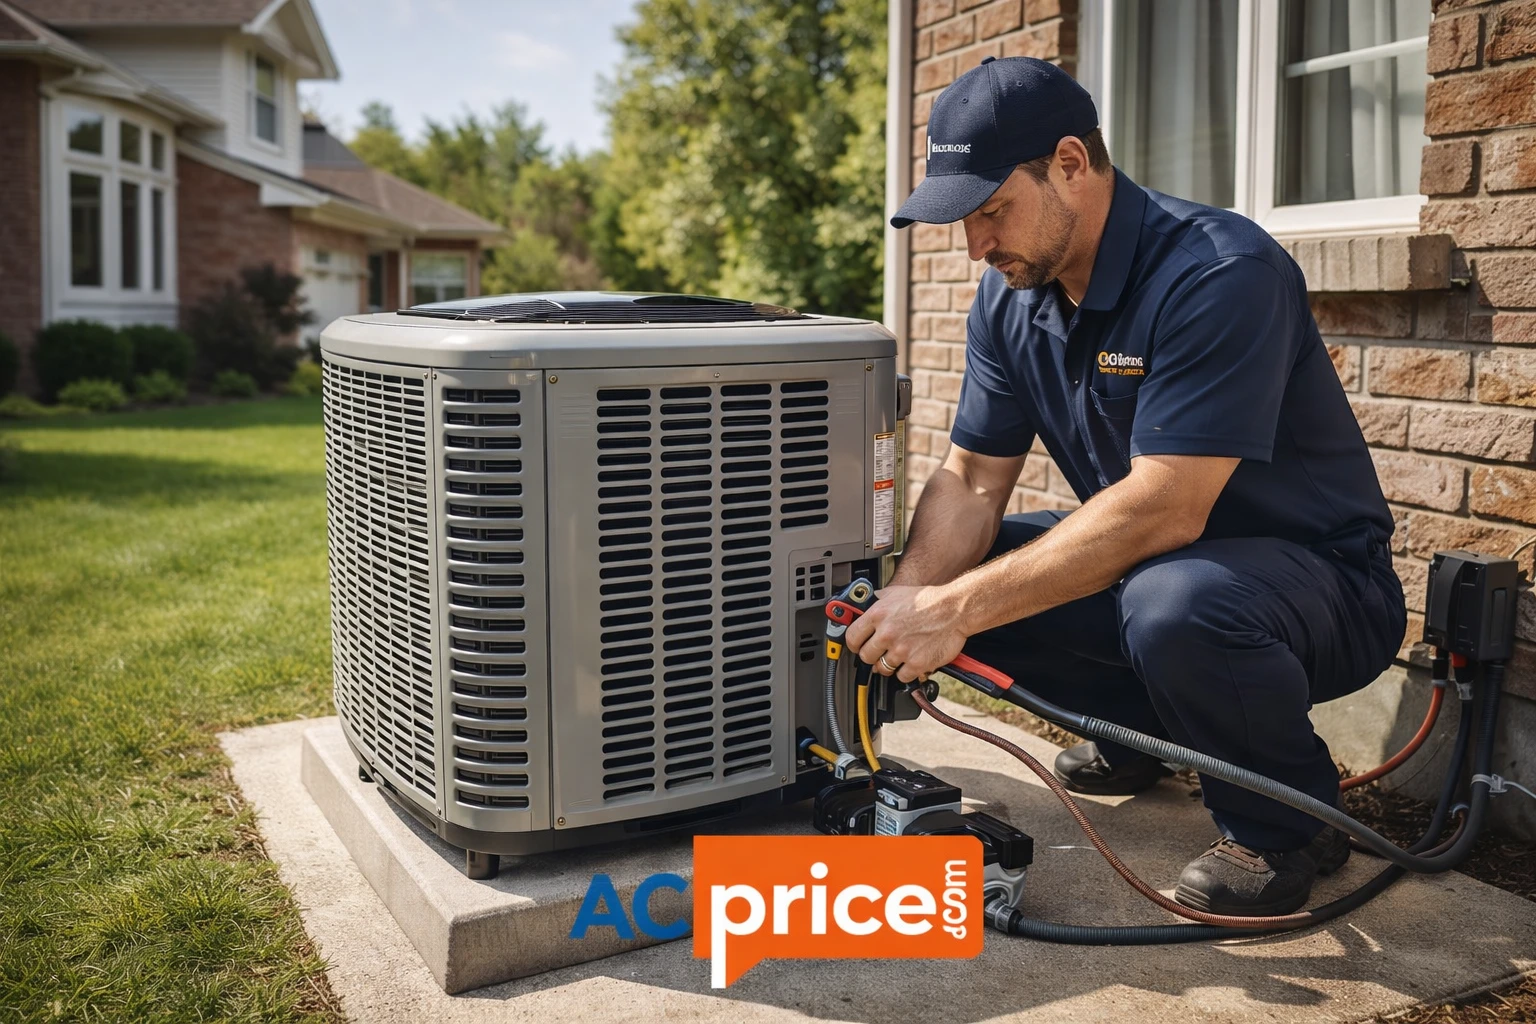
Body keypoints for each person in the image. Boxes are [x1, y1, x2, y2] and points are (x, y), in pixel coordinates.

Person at [846, 56, 1407, 916]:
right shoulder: (1009, 301)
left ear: (1071, 163)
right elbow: (970, 478)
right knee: (971, 566)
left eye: (992, 211)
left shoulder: (1218, 272)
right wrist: (916, 595)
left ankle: (1290, 820)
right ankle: (1143, 737)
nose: (976, 245)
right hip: (1161, 574)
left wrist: (956, 612)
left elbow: (1167, 506)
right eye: (962, 221)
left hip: (1320, 587)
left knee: (1169, 601)